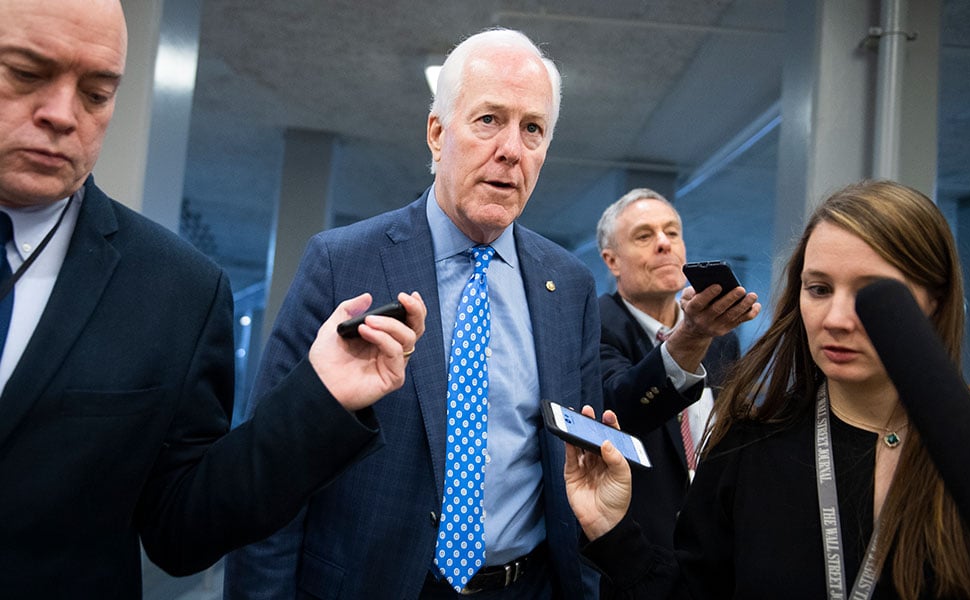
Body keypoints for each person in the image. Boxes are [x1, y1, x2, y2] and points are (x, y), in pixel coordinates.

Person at [0, 1, 425, 597]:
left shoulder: (175, 290)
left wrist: (320, 398)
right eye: (25, 74)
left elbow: (183, 531)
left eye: (96, 94)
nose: (61, 114)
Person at [223, 28, 603, 599]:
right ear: (436, 133)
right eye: (488, 120)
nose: (511, 149)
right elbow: (273, 465)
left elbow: (583, 462)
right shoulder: (342, 264)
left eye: (533, 129)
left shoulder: (568, 286)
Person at [565, 180, 970, 599]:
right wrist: (613, 533)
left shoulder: (964, 449)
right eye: (818, 289)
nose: (836, 319)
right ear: (610, 260)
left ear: (935, 299)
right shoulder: (748, 445)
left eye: (871, 293)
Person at [594, 188, 758, 551]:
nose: (664, 244)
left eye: (672, 232)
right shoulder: (595, 325)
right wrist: (690, 336)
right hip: (638, 545)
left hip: (713, 537)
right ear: (612, 261)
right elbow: (621, 412)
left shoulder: (719, 336)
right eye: (644, 235)